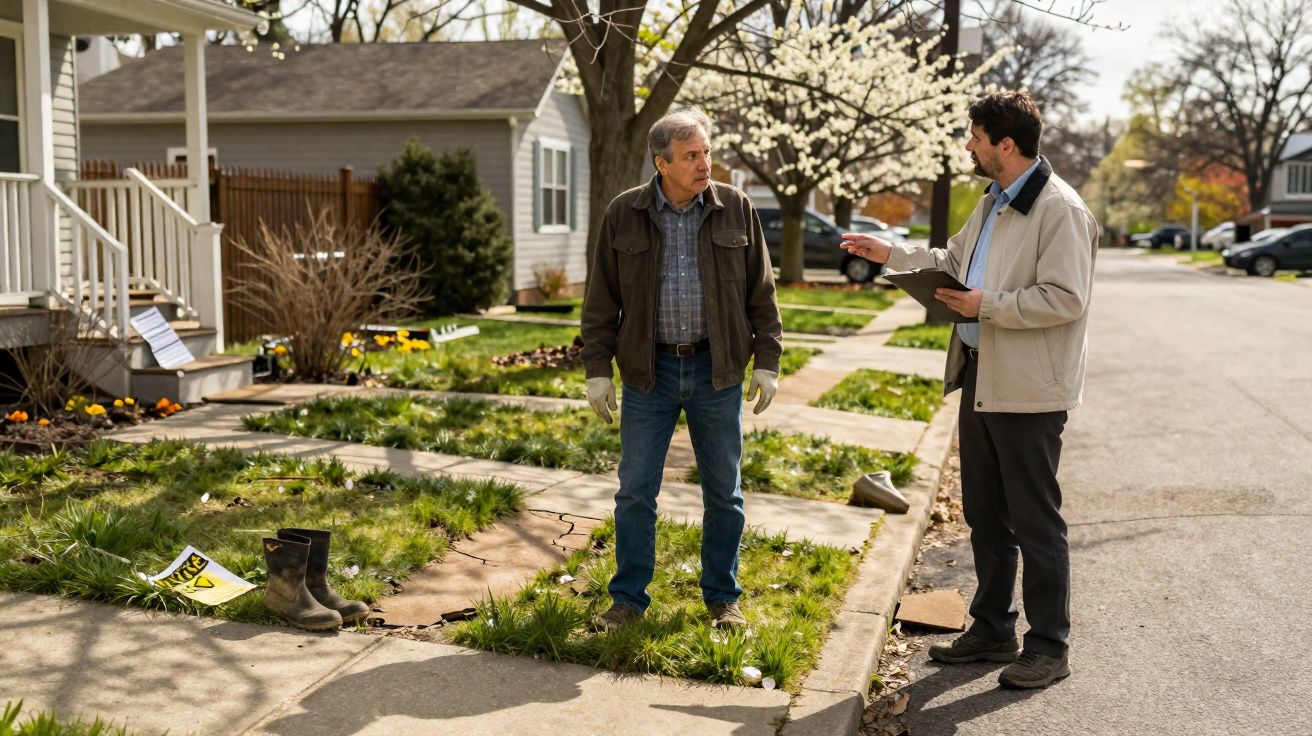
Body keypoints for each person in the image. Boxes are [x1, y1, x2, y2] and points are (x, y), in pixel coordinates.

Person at [840, 91, 1097, 689]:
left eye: (976, 138)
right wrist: (892, 253)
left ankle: (1050, 646)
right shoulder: (991, 202)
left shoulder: (1060, 209)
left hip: (1030, 387)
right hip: (982, 372)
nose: (969, 147)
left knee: (1035, 520)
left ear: (1005, 144)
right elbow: (952, 261)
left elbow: (1067, 298)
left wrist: (990, 306)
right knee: (986, 513)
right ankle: (991, 628)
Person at [580, 107, 783, 632]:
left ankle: (722, 598)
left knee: (725, 493)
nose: (704, 163)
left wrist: (769, 361)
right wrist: (597, 370)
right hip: (650, 374)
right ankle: (627, 599)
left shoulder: (736, 208)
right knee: (635, 492)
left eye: (707, 152)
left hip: (718, 372)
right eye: (692, 155)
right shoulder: (624, 213)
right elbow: (601, 299)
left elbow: (762, 291)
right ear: (662, 162)